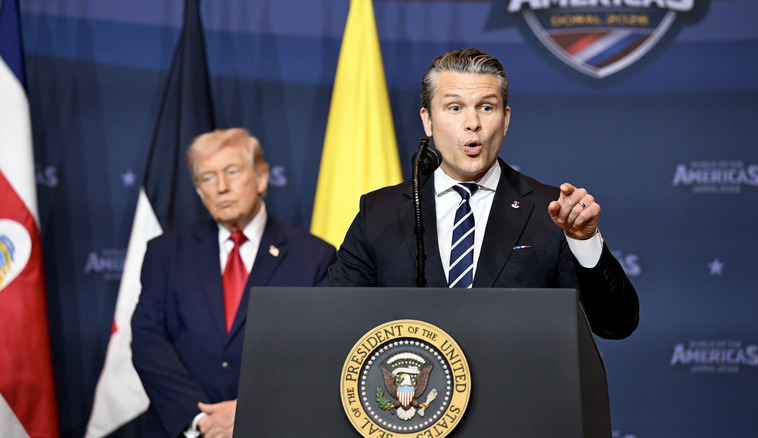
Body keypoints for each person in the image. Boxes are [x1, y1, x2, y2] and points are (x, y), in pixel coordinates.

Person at [328, 48, 639, 340]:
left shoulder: (552, 212)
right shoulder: (380, 212)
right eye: (454, 108)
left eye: (486, 108)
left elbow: (616, 324)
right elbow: (333, 322)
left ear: (505, 119)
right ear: (428, 120)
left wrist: (583, 242)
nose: (472, 124)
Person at [131, 128, 337, 438]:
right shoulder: (166, 252)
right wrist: (199, 418)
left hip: (274, 428)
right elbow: (148, 341)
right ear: (200, 192)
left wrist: (251, 411)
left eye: (232, 172)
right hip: (184, 428)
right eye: (208, 179)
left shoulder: (314, 256)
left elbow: (318, 352)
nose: (222, 188)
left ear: (261, 177)